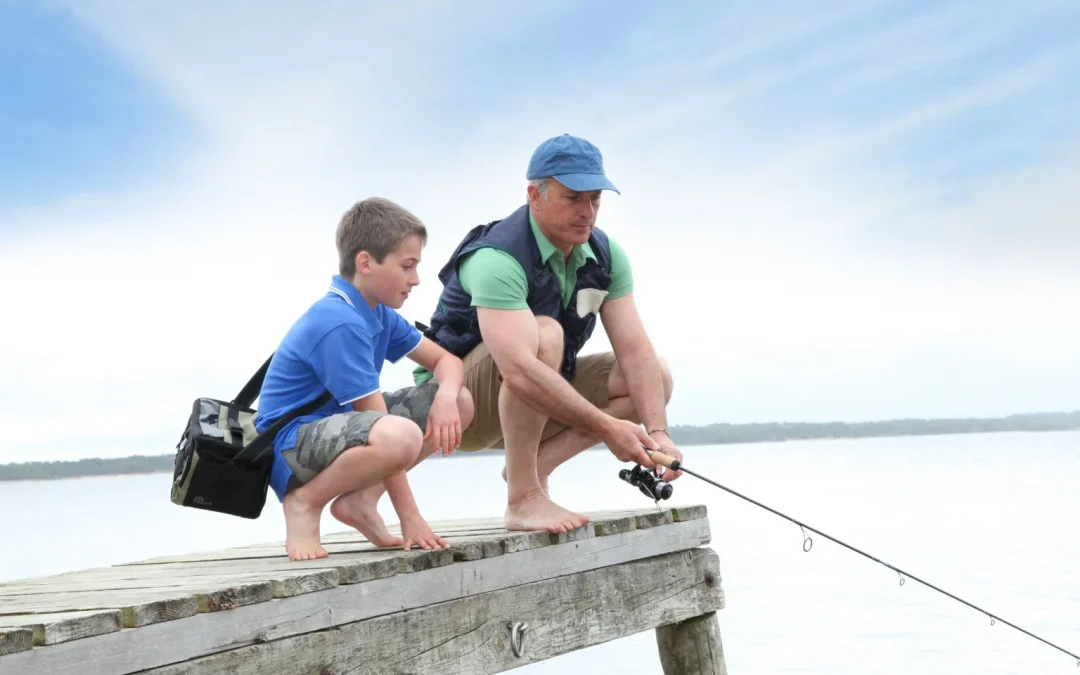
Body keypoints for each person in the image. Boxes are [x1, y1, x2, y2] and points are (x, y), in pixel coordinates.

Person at [412, 133, 683, 535]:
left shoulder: (607, 256)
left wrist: (658, 434)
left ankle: (534, 470)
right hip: (456, 405)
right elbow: (518, 370)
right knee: (545, 334)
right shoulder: (496, 258)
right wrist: (609, 430)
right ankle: (523, 500)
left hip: (537, 394)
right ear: (534, 195)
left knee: (654, 377)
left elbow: (635, 350)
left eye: (594, 198)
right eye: (573, 197)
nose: (587, 211)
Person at [255, 197, 474, 561]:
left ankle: (360, 501)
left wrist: (448, 396)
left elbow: (445, 360)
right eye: (407, 266)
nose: (416, 279)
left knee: (460, 401)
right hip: (290, 445)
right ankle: (304, 504)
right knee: (398, 434)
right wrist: (411, 518)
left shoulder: (378, 313)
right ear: (366, 263)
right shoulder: (338, 321)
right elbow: (379, 422)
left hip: (340, 433)